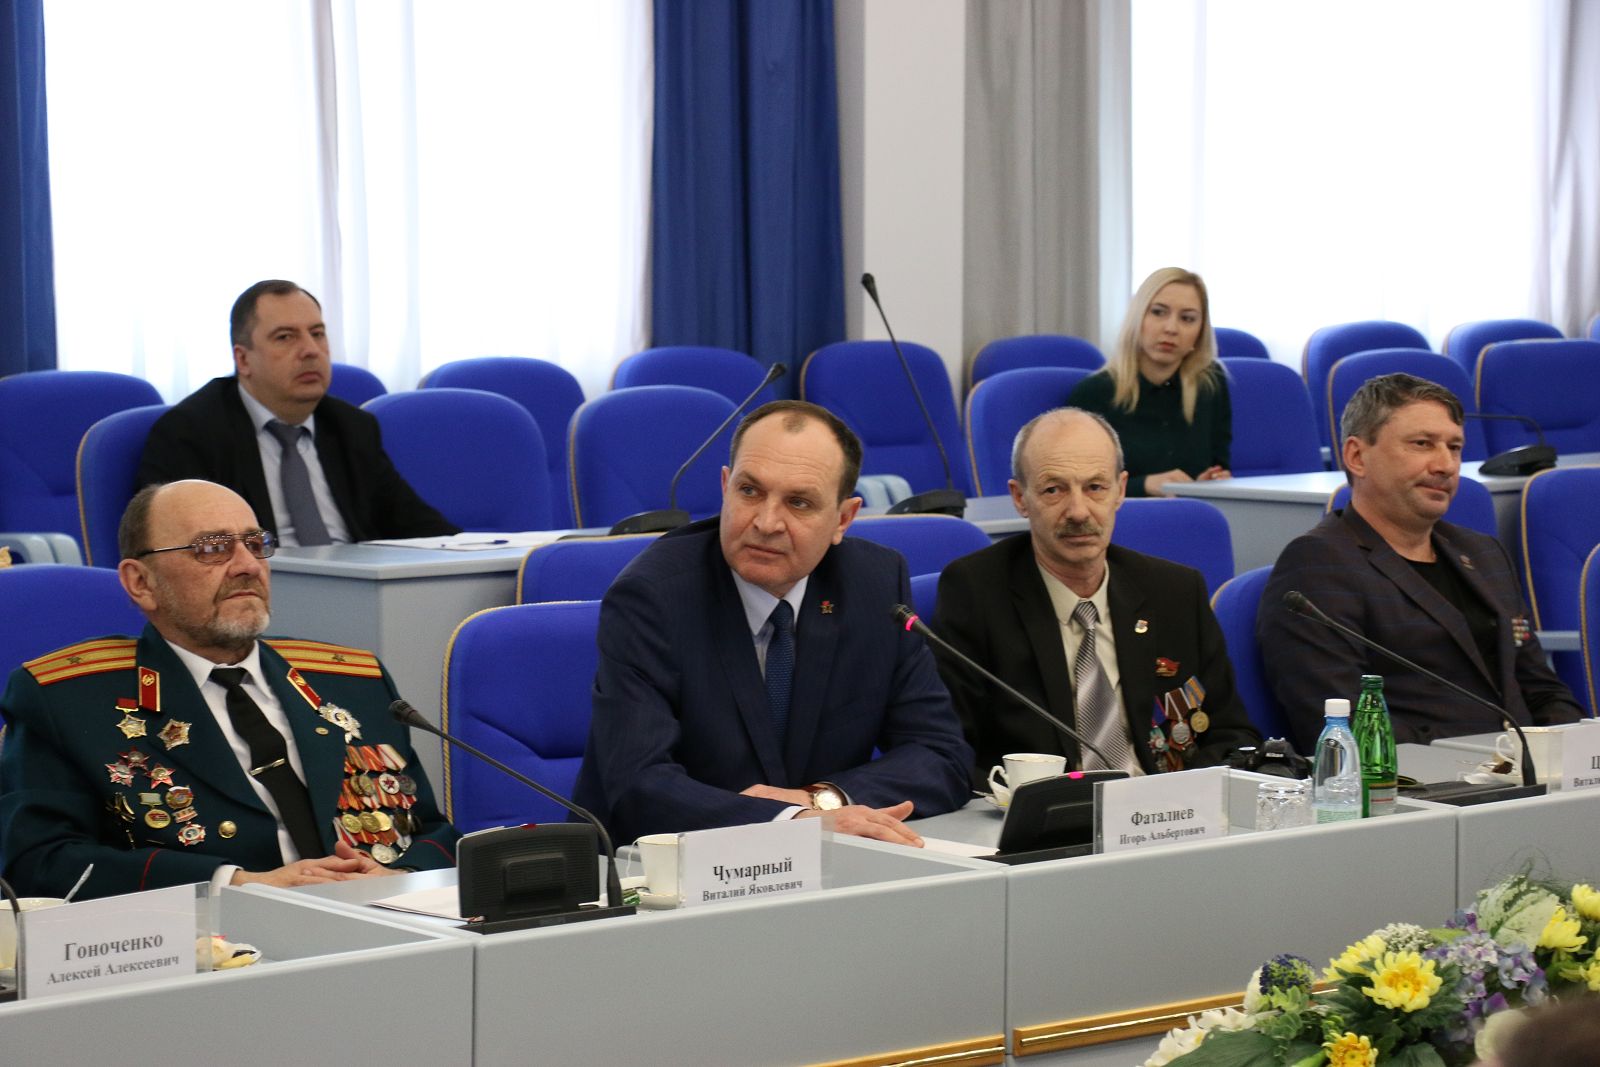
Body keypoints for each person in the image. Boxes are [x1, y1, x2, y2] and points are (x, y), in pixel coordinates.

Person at [0, 480, 459, 901]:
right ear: (141, 582)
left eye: (256, 545)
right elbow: (40, 863)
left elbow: (433, 832)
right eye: (212, 549)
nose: (247, 566)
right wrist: (235, 885)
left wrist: (398, 876)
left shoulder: (352, 679)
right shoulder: (68, 700)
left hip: (381, 924)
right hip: (206, 943)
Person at [573, 400, 973, 846]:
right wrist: (791, 821)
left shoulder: (875, 586)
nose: (766, 523)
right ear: (725, 487)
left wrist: (819, 801)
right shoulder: (653, 597)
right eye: (749, 491)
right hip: (658, 868)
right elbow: (639, 786)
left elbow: (941, 754)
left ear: (843, 519)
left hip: (828, 866)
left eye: (799, 503)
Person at [1258, 373, 1582, 752]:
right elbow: (1346, 725)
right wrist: (1478, 767)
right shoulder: (1318, 565)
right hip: (1427, 778)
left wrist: (1572, 754)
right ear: (1357, 457)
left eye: (1454, 447)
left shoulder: (1484, 553)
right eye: (1422, 444)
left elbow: (1541, 688)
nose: (1445, 465)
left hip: (1526, 769)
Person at [932, 408, 1258, 783]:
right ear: (1020, 498)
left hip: (1168, 807)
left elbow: (1232, 735)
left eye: (1095, 487)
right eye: (1054, 489)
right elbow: (951, 750)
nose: (1078, 511)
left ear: (1120, 490)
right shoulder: (976, 593)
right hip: (1050, 809)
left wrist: (1182, 795)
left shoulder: (1175, 591)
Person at [137, 279, 459, 545]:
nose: (310, 350)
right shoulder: (190, 433)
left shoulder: (352, 428)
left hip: (356, 588)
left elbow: (421, 527)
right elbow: (184, 551)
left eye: (317, 334)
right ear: (243, 360)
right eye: (285, 337)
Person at [1068, 267, 1231, 497]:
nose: (1171, 328)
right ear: (1138, 318)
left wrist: (1209, 482)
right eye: (1158, 312)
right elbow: (1077, 486)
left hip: (1191, 512)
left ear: (1200, 331)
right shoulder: (1094, 393)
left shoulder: (1210, 384)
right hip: (1123, 516)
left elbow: (1219, 465)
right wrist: (1144, 485)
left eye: (1187, 319)